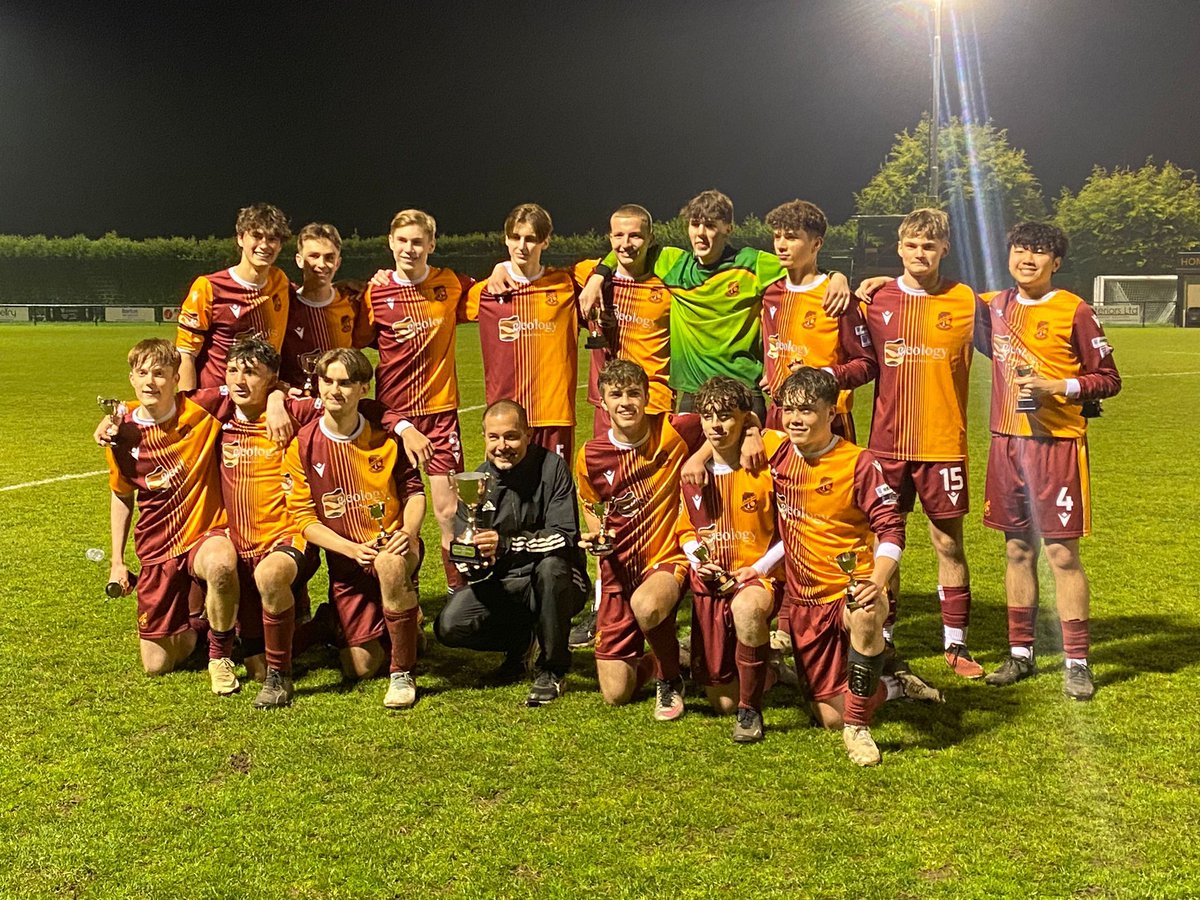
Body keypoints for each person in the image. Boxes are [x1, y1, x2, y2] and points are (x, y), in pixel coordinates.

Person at [976, 223, 1122, 701]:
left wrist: (1056, 387)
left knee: (1061, 554)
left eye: (1040, 253)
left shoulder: (1074, 310)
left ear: (1055, 263)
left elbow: (1108, 379)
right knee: (1017, 551)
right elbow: (931, 294)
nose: (1028, 259)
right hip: (1006, 443)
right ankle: (1021, 654)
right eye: (1021, 249)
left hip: (1057, 445)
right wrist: (872, 283)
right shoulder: (993, 304)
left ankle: (1077, 661)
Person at [769, 367, 939, 766]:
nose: (795, 419)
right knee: (828, 715)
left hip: (848, 591)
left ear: (832, 412)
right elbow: (732, 424)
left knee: (866, 614)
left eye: (808, 410)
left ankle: (858, 729)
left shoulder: (859, 463)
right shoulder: (776, 452)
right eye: (789, 410)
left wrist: (876, 582)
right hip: (804, 602)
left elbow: (892, 529)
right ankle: (890, 681)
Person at [841, 208, 984, 679]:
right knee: (888, 542)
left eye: (930, 245)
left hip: (943, 444)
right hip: (886, 446)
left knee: (948, 542)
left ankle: (956, 644)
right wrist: (846, 278)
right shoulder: (875, 298)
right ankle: (885, 635)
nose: (920, 252)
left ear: (944, 249)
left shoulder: (967, 300)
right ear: (899, 248)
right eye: (912, 245)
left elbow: (1010, 332)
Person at [579, 189, 851, 419]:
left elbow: (804, 268)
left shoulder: (753, 263)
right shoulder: (673, 263)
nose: (700, 233)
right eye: (695, 224)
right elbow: (626, 248)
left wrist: (835, 277)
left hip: (743, 391)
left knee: (746, 475)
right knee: (692, 476)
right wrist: (597, 278)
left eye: (710, 226)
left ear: (728, 229)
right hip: (692, 393)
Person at [283, 349, 426, 709]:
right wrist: (349, 549)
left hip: (395, 543)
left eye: (345, 383)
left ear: (363, 388)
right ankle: (352, 621)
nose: (335, 390)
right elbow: (303, 519)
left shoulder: (387, 436)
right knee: (359, 668)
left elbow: (415, 493)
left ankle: (402, 673)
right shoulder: (303, 443)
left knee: (390, 565)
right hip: (347, 562)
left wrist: (408, 533)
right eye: (327, 381)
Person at [103, 339, 241, 694]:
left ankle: (220, 654)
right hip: (158, 548)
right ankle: (198, 621)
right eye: (143, 373)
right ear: (132, 378)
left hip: (204, 536)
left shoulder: (202, 407)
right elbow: (121, 496)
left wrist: (273, 400)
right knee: (156, 666)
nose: (151, 381)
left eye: (161, 373)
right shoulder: (121, 433)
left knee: (222, 564)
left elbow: (252, 388)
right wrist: (117, 562)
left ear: (177, 378)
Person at [433, 400, 589, 705]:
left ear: (528, 434)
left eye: (511, 436)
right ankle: (521, 642)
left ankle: (552, 668)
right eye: (494, 437)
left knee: (550, 569)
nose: (502, 446)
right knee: (449, 626)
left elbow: (564, 536)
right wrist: (472, 560)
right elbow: (472, 557)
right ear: (484, 438)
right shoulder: (476, 483)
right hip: (507, 584)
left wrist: (505, 544)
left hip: (559, 580)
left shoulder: (552, 468)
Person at [363, 209, 476, 591]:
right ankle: (398, 589)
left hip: (440, 415)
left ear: (431, 244)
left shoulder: (450, 283)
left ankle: (457, 591)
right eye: (403, 241)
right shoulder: (374, 291)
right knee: (391, 513)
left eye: (418, 241)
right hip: (392, 418)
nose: (410, 249)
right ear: (390, 243)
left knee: (449, 511)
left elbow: (493, 290)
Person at [675, 377, 784, 743]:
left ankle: (750, 710)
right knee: (720, 701)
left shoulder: (767, 464)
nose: (716, 425)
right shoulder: (693, 473)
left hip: (758, 578)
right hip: (711, 584)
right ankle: (764, 667)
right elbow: (685, 530)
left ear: (744, 419)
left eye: (726, 416)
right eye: (708, 416)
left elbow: (788, 534)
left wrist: (760, 568)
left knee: (748, 609)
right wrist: (697, 560)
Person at [466, 203, 581, 461]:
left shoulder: (566, 284)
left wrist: (599, 276)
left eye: (531, 239)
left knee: (554, 496)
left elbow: (611, 262)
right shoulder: (486, 292)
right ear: (506, 240)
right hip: (505, 421)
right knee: (507, 498)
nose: (522, 246)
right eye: (515, 237)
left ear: (546, 242)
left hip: (554, 415)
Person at [761, 199, 873, 436]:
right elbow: (774, 347)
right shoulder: (771, 294)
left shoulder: (837, 298)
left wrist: (825, 376)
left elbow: (866, 364)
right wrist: (769, 372)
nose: (781, 245)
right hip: (778, 418)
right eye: (777, 236)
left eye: (791, 237)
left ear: (816, 244)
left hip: (828, 421)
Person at [175, 203, 292, 391]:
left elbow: (313, 295)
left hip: (263, 400)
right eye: (256, 236)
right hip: (218, 401)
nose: (264, 245)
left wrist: (347, 287)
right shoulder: (208, 287)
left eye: (272, 238)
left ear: (279, 246)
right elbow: (186, 354)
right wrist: (189, 407)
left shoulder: (280, 282)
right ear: (240, 238)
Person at [278, 222, 372, 390]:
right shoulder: (285, 303)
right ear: (299, 260)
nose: (322, 264)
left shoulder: (352, 301)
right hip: (297, 408)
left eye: (329, 257)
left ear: (338, 263)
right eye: (314, 256)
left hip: (339, 406)